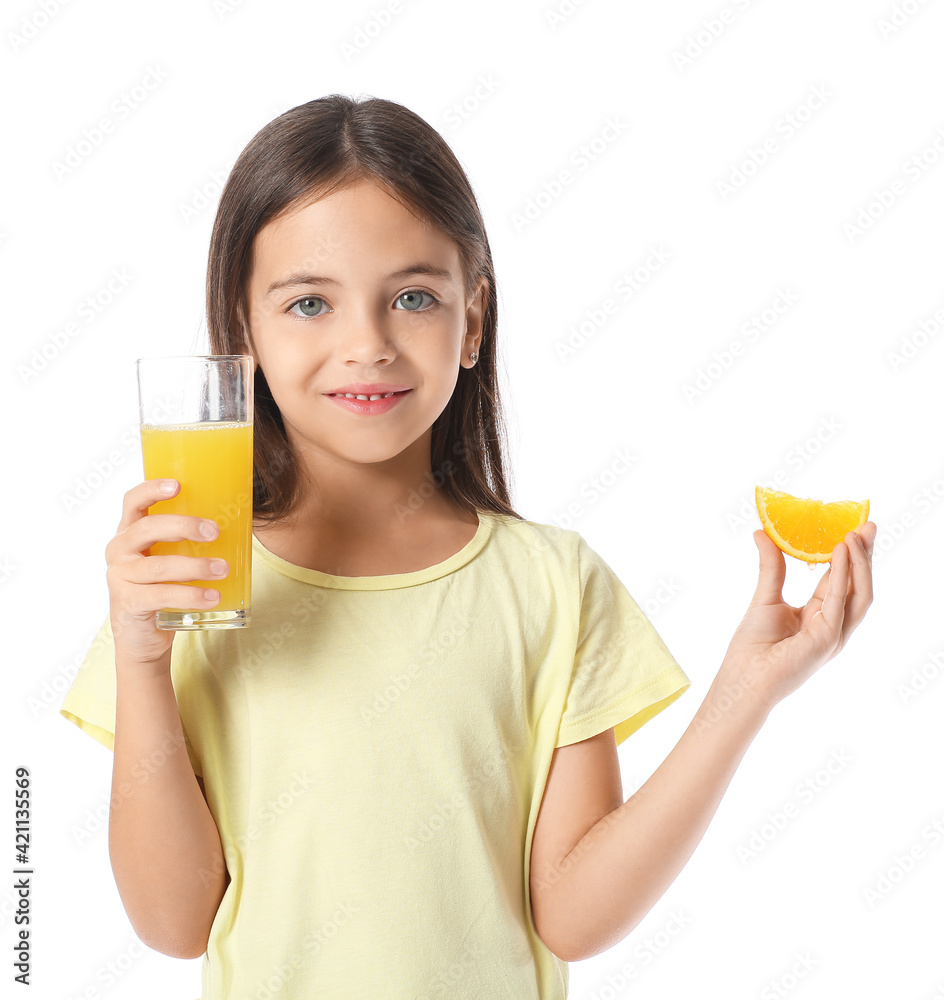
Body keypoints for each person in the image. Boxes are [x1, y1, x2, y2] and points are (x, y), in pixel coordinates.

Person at [60, 94, 875, 1000]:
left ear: (473, 318)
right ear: (242, 328)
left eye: (412, 297)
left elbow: (574, 916)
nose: (365, 344)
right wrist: (141, 661)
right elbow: (173, 924)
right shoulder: (184, 585)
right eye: (308, 304)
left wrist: (746, 690)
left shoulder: (554, 586)